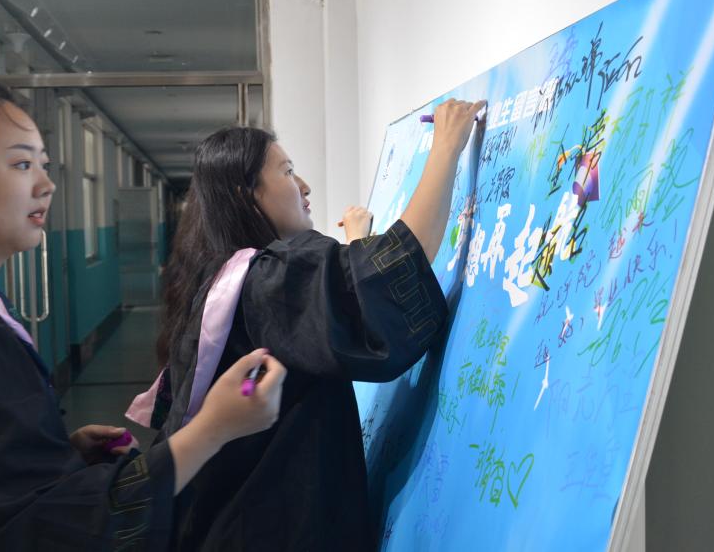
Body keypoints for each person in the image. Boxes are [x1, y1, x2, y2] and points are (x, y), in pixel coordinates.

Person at [0, 77, 286, 551]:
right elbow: (48, 531)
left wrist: (52, 452)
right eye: (21, 164)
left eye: (44, 164)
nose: (46, 184)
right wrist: (214, 427)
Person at [148, 98, 485, 550]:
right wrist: (446, 148)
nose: (303, 185)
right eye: (287, 172)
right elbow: (391, 280)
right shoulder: (264, 280)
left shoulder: (219, 276)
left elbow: (333, 313)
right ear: (247, 195)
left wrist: (358, 244)